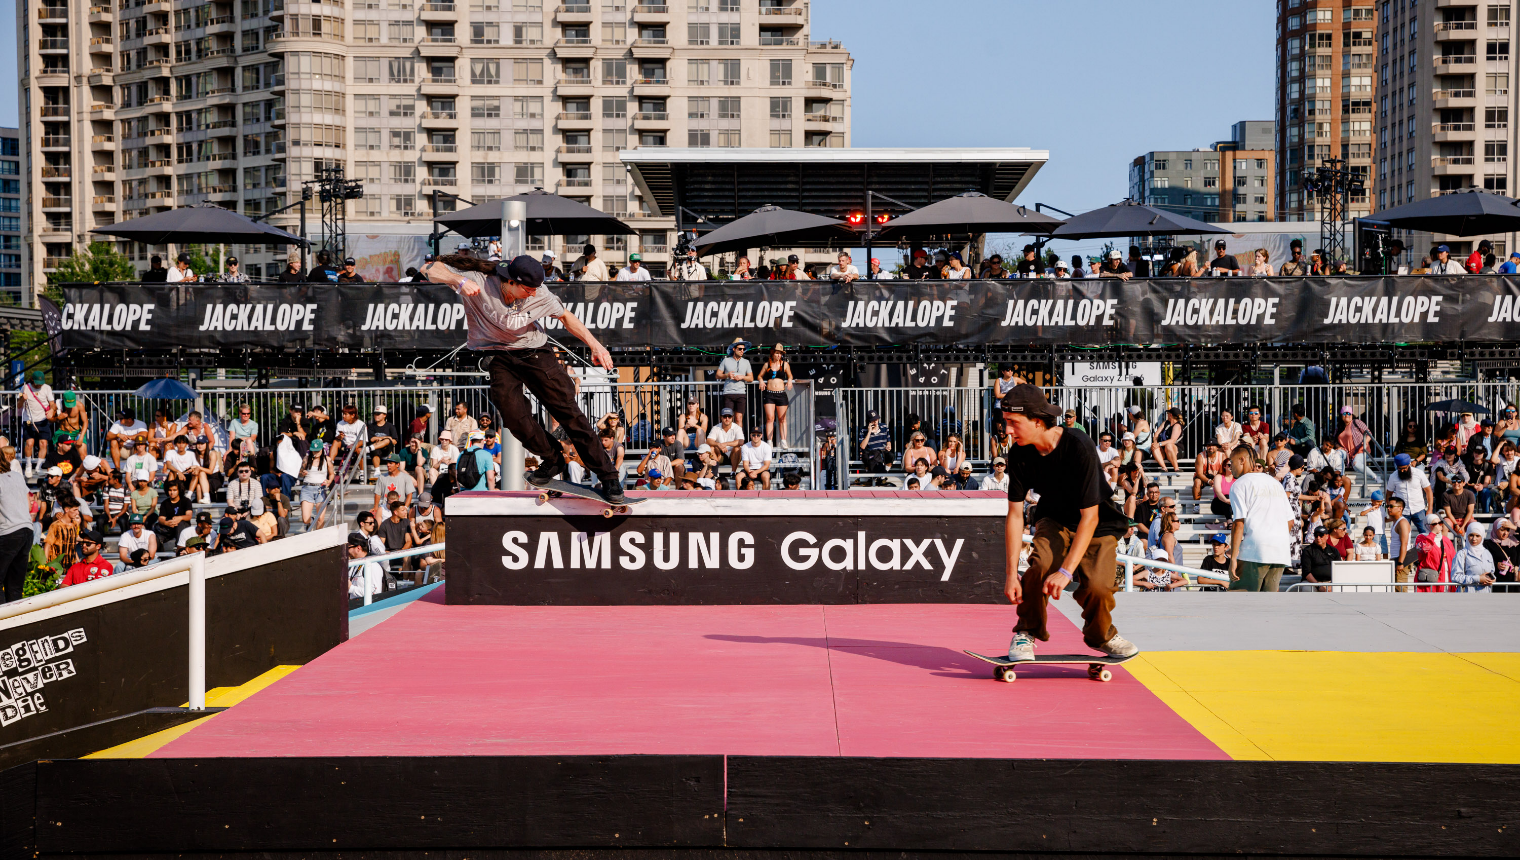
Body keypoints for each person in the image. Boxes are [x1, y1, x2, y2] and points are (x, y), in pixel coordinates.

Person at [422, 253, 626, 504]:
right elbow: (430, 269)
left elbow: (566, 317)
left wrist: (595, 345)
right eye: (527, 289)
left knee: (569, 414)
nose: (532, 294)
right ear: (510, 282)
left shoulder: (540, 293)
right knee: (514, 417)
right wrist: (458, 281)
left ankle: (609, 477)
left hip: (536, 354)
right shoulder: (479, 281)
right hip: (498, 356)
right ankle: (552, 459)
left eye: (535, 289)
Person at [1000, 384, 1138, 663]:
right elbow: (1015, 515)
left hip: (1097, 523)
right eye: (1006, 424)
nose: (1008, 431)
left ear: (1037, 421)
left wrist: (1066, 571)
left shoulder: (1078, 445)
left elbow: (1090, 516)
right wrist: (1010, 573)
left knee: (1098, 588)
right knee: (1039, 567)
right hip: (1054, 519)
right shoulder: (1018, 454)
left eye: (1013, 423)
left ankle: (1102, 635)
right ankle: (1027, 631)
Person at [1226, 446, 1292, 592]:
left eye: (1232, 462)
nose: (1230, 467)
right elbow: (1290, 521)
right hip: (1280, 551)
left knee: (1239, 598)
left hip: (1254, 552)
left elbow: (1238, 524)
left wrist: (1233, 558)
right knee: (1267, 606)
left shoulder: (1239, 484)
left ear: (1242, 460)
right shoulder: (1275, 483)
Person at [0, 446, 33, 602]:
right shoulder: (17, 476)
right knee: (15, 585)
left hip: (8, 532)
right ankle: (16, 624)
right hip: (26, 529)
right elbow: (28, 503)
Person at [17, 370, 54, 479]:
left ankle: (38, 467)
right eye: (37, 382)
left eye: (41, 383)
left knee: (43, 444)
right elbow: (19, 406)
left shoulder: (47, 388)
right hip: (29, 419)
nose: (39, 385)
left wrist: (51, 410)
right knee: (29, 443)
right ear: (32, 380)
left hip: (42, 419)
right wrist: (23, 399)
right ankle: (28, 465)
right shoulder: (25, 387)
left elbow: (52, 403)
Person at [1386, 452, 1433, 534]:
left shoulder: (1419, 473)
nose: (1402, 471)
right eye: (1400, 469)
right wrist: (1390, 509)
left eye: (1404, 468)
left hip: (1419, 510)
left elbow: (1428, 490)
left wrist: (1430, 509)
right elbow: (1389, 494)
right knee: (1403, 536)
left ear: (1409, 465)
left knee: (1425, 534)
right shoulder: (1393, 476)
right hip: (1402, 512)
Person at [758, 344, 793, 448]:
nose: (779, 355)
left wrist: (790, 380)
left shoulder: (785, 364)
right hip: (769, 394)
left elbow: (790, 375)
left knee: (782, 418)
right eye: (777, 353)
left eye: (780, 353)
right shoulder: (767, 364)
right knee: (770, 418)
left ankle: (783, 440)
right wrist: (760, 381)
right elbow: (760, 375)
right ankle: (769, 441)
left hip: (781, 394)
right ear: (773, 353)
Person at [716, 338, 753, 430]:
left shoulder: (746, 362)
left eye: (743, 349)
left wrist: (742, 377)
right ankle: (728, 441)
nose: (742, 351)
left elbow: (751, 378)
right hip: (728, 393)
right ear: (734, 349)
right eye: (740, 349)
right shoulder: (726, 361)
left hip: (741, 393)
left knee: (739, 418)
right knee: (727, 419)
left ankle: (739, 441)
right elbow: (717, 375)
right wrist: (727, 375)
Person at [1451, 522, 1496, 592]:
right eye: (1471, 535)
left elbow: (1492, 572)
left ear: (1482, 536)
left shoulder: (1487, 553)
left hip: (1485, 595)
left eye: (1477, 536)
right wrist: (1478, 579)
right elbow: (1455, 577)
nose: (1474, 539)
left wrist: (1492, 579)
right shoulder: (1461, 554)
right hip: (1467, 597)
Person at [298, 439, 332, 531]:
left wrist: (328, 481)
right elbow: (300, 472)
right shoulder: (306, 458)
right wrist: (302, 472)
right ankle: (310, 522)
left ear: (322, 450)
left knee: (320, 518)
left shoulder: (327, 460)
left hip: (320, 488)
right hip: (307, 488)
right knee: (305, 519)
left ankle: (318, 538)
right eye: (314, 450)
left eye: (318, 451)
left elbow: (332, 474)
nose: (316, 453)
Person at [347, 532, 385, 600]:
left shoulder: (373, 565)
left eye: (348, 548)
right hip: (354, 607)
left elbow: (375, 593)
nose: (347, 551)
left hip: (366, 609)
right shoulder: (354, 565)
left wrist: (351, 589)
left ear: (358, 548)